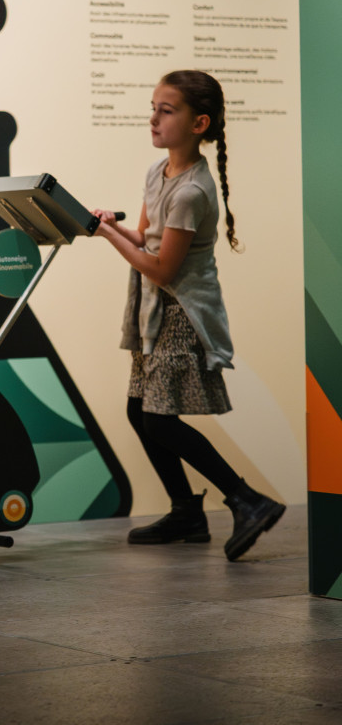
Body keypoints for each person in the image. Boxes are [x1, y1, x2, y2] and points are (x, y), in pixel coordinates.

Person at [92, 70, 285, 561]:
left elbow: (161, 269)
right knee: (141, 411)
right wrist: (113, 225)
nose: (153, 118)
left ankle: (246, 499)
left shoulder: (192, 192)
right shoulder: (158, 173)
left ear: (199, 123)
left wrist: (107, 237)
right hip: (154, 312)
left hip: (181, 315)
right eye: (153, 108)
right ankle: (186, 511)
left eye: (167, 110)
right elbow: (146, 239)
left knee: (158, 421)